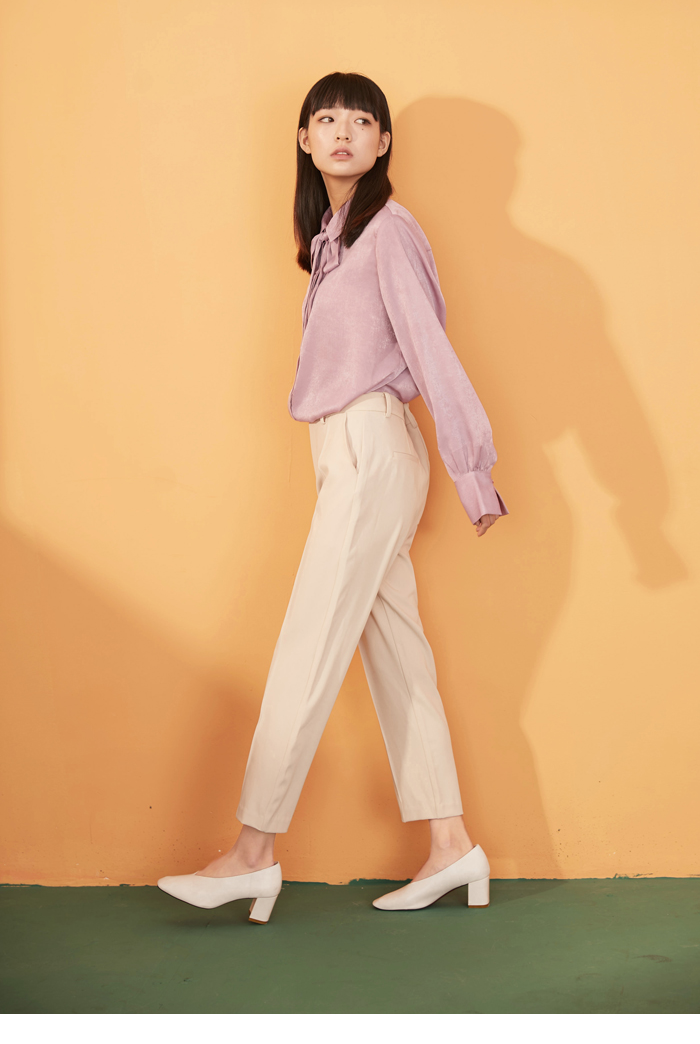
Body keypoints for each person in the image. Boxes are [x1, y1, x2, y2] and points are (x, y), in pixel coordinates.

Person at [157, 72, 508, 923]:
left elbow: (430, 347)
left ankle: (251, 853)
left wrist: (471, 469)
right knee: (397, 654)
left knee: (309, 641)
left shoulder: (389, 231)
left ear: (383, 142)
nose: (342, 131)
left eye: (360, 119)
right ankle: (452, 845)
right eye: (326, 118)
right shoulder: (332, 240)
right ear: (305, 140)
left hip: (370, 448)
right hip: (348, 452)